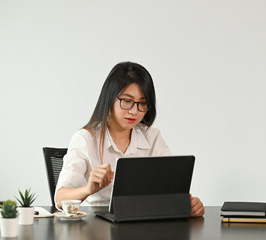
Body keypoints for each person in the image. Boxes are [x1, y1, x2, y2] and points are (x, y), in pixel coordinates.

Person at [55, 61, 204, 217]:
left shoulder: (152, 137)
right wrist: (88, 189)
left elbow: (171, 190)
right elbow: (60, 197)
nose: (134, 111)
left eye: (142, 103)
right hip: (96, 224)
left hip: (142, 221)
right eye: (127, 101)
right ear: (110, 98)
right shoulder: (85, 139)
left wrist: (189, 205)